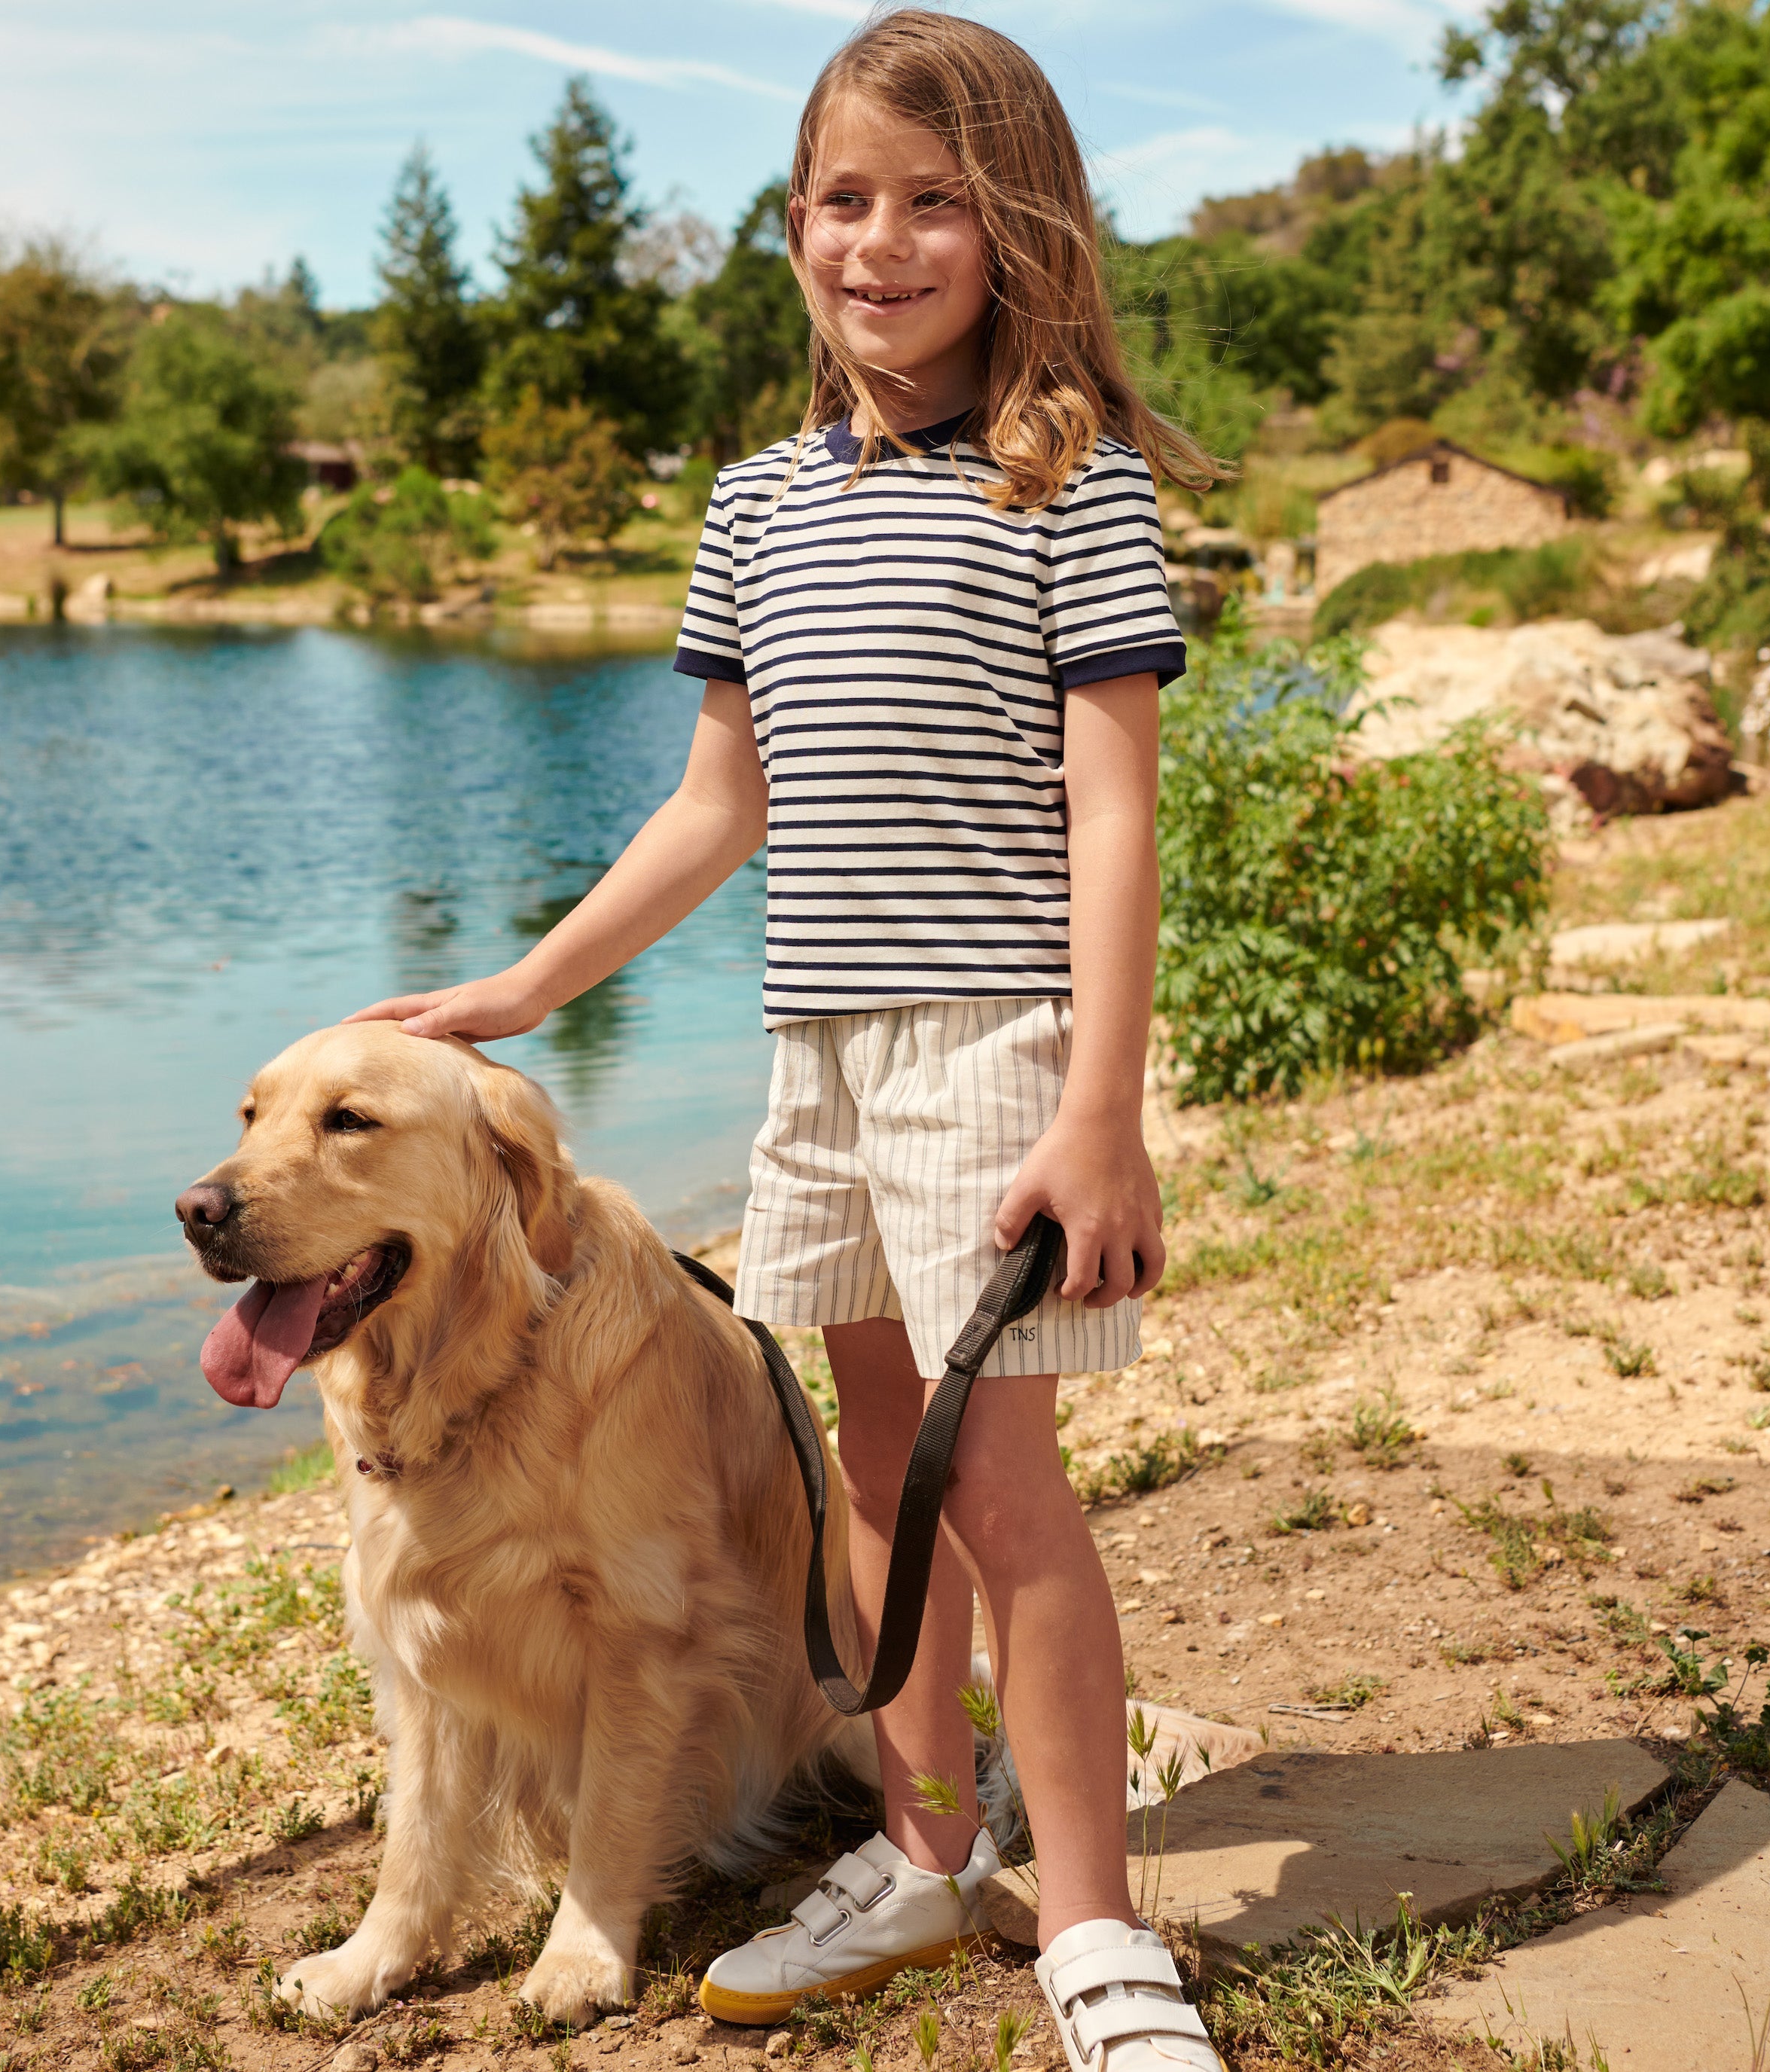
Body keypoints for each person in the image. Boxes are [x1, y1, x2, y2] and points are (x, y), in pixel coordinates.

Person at [349, 11, 1225, 2067]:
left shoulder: (1068, 482)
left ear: (1018, 235)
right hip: (816, 1056)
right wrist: (522, 991)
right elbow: (715, 807)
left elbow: (1117, 813)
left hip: (999, 1045)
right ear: (796, 228)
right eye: (846, 200)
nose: (884, 241)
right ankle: (927, 1857)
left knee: (1001, 1497)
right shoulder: (756, 505)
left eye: (937, 204)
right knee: (865, 1490)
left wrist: (1101, 1110)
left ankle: (1091, 1929)